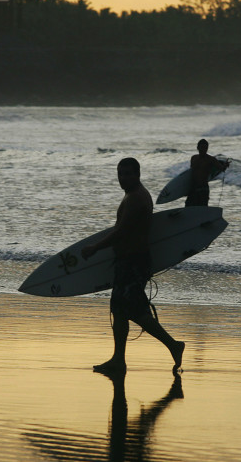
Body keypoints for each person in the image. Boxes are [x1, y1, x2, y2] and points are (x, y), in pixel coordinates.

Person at [81, 157, 185, 375]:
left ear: (138, 175)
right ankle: (119, 359)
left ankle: (173, 345)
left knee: (135, 312)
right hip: (129, 261)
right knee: (119, 310)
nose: (124, 178)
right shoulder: (133, 195)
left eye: (128, 174)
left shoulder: (136, 198)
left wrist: (95, 248)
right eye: (121, 174)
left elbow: (121, 232)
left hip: (134, 263)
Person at [186, 139, 230, 207]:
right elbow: (191, 173)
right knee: (188, 206)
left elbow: (221, 169)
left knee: (203, 208)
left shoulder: (211, 159)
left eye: (206, 148)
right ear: (198, 148)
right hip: (193, 188)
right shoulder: (193, 158)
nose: (204, 149)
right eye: (202, 147)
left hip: (203, 188)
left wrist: (225, 165)